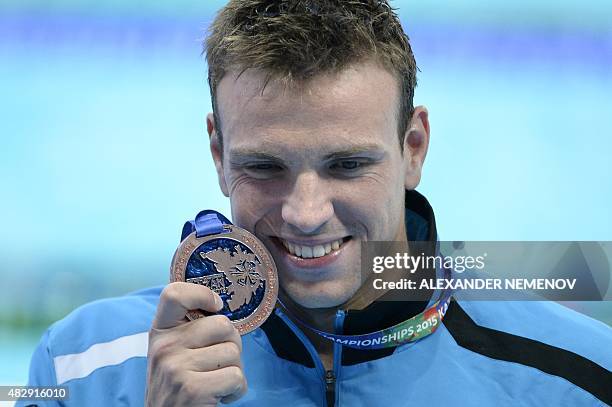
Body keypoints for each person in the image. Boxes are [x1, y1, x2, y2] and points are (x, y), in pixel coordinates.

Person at [19, 1, 612, 406]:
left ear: (413, 148)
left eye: (347, 165)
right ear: (218, 153)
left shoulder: (579, 375)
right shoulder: (83, 365)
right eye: (264, 166)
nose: (305, 213)